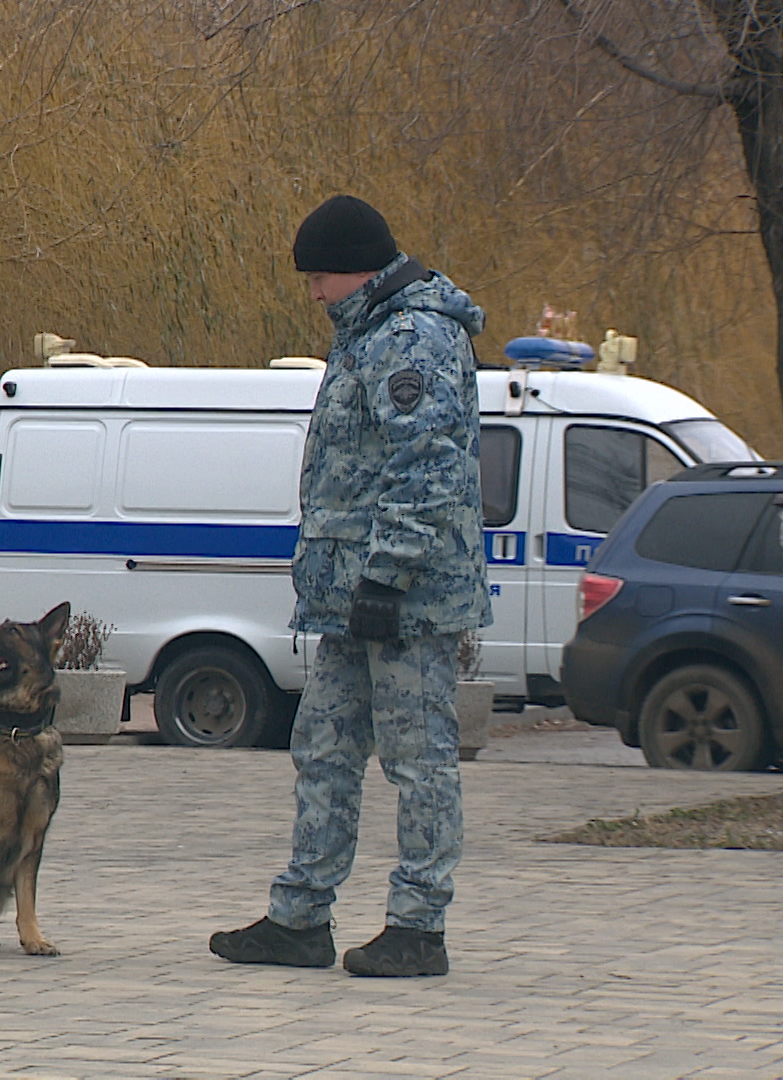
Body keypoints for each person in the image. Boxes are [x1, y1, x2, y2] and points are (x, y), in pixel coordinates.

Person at [210, 196, 489, 978]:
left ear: (358, 268)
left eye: (320, 278)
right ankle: (300, 918)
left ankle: (418, 925)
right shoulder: (366, 334)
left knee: (417, 759)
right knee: (323, 749)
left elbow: (425, 464)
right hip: (348, 598)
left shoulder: (412, 337)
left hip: (403, 599)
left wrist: (389, 575)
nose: (314, 295)